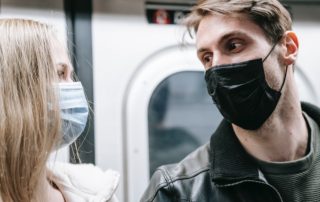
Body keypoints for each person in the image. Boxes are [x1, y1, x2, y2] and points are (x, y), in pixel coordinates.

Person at [141, 0, 320, 201]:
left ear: (288, 47)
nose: (217, 66)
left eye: (233, 46)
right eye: (207, 58)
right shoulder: (177, 192)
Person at [0, 19, 119, 202]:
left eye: (71, 75)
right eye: (59, 74)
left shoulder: (97, 191)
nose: (74, 88)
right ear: (14, 89)